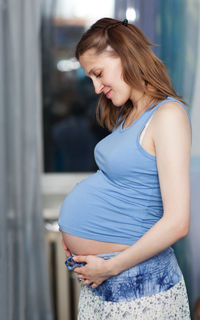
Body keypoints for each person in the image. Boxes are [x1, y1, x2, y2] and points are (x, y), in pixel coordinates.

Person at [58, 17, 192, 319]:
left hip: (140, 286)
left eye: (98, 73)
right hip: (106, 285)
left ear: (123, 55)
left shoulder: (167, 115)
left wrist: (109, 265)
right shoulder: (128, 117)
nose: (94, 88)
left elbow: (177, 222)